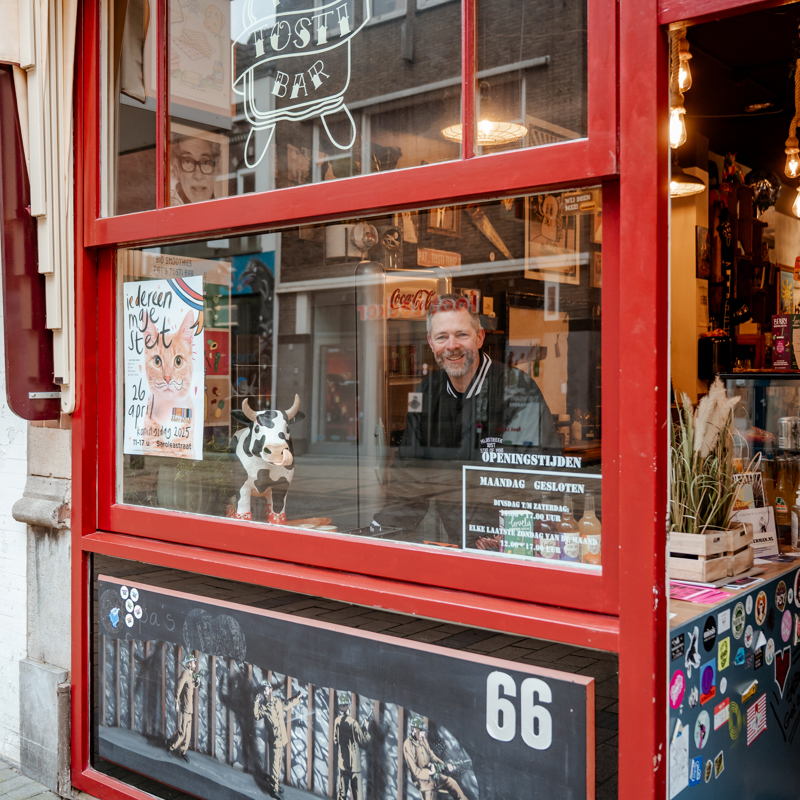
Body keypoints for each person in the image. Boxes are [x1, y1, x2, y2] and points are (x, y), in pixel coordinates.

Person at [373, 293, 560, 544]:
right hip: (459, 547)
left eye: (461, 334)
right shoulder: (426, 393)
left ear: (479, 337)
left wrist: (514, 539)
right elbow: (410, 483)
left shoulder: (517, 389)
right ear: (431, 343)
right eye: (442, 337)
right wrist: (377, 535)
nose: (452, 345)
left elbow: (543, 479)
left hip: (512, 545)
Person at [254, 681, 302, 798]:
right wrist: (256, 703)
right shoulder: (264, 706)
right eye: (263, 690)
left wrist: (296, 698)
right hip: (274, 739)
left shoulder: (277, 701)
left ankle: (275, 783)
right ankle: (274, 790)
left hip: (281, 738)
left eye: (266, 690)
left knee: (278, 764)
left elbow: (287, 704)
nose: (265, 693)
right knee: (275, 766)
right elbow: (256, 716)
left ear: (270, 689)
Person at [403, 716, 467, 800]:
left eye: (423, 732)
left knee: (451, 783)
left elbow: (432, 756)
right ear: (414, 730)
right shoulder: (408, 745)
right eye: (421, 732)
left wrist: (445, 766)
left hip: (433, 775)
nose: (423, 734)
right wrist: (430, 771)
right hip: (422, 781)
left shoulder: (423, 740)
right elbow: (415, 771)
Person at [333, 692, 371, 800]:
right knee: (357, 794)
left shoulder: (337, 721)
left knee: (342, 794)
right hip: (354, 765)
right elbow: (363, 741)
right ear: (348, 706)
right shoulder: (354, 723)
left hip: (343, 764)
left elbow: (335, 740)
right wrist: (366, 729)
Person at [166, 655, 199, 761]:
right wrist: (176, 702)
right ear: (189, 664)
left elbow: (191, 686)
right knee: (182, 732)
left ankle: (183, 751)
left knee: (188, 734)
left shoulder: (191, 674)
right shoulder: (185, 673)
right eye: (193, 662)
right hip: (184, 707)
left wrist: (197, 682)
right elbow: (179, 687)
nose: (195, 664)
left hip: (189, 709)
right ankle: (170, 747)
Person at [170, 136, 221, 205]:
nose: (198, 176)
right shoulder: (166, 207)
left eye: (205, 162)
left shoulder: (224, 207)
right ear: (176, 168)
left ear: (216, 168)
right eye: (188, 161)